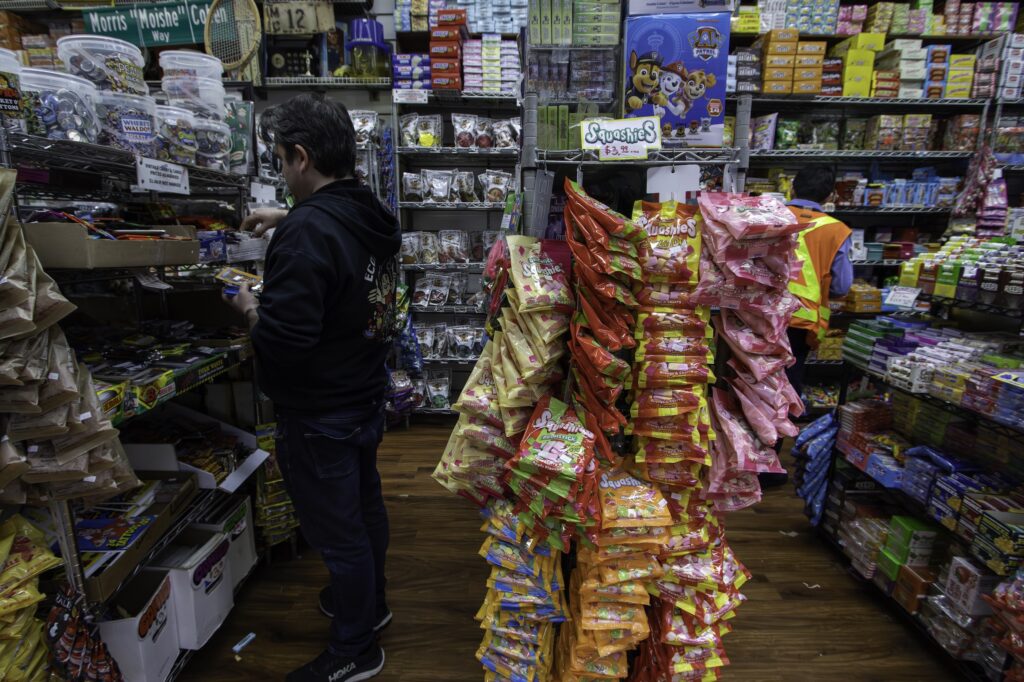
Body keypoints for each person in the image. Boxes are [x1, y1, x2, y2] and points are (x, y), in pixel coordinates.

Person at [224, 93, 401, 682]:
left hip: (320, 409)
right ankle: (369, 607)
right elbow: (340, 236)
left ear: (301, 157)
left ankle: (355, 648)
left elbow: (285, 341)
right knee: (365, 508)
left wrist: (251, 307)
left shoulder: (307, 233)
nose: (280, 169)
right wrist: (294, 219)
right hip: (362, 392)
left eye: (280, 160)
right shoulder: (368, 213)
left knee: (338, 531)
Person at [785, 167, 853, 401]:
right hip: (801, 321)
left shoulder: (769, 217)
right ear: (830, 196)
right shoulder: (837, 231)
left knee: (748, 379)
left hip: (758, 315)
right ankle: (778, 437)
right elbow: (841, 286)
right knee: (788, 386)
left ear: (792, 187)